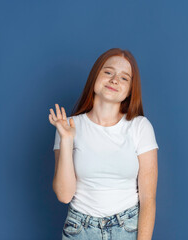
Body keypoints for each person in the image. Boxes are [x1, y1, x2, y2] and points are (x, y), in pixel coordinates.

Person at [48, 48, 159, 240]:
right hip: (80, 229)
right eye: (108, 72)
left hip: (128, 228)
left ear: (130, 90)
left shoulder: (140, 127)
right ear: (95, 77)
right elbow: (64, 195)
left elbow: (148, 199)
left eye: (124, 78)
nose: (115, 80)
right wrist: (66, 140)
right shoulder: (69, 126)